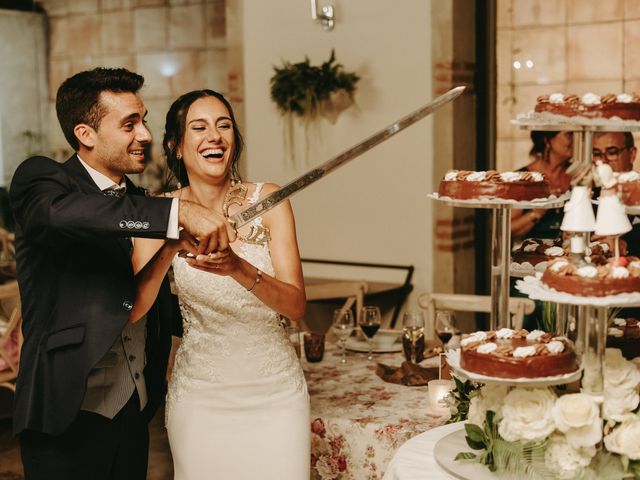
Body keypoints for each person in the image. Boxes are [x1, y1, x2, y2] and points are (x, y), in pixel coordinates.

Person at [9, 68, 234, 480]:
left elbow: (140, 295)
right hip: (65, 408)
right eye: (130, 124)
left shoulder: (137, 202)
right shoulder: (44, 181)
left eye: (144, 120)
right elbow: (64, 217)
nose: (145, 135)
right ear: (86, 134)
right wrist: (176, 211)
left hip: (135, 407)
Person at [129, 89, 309, 479]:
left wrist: (237, 268)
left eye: (224, 125)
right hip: (201, 397)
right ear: (176, 146)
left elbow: (296, 306)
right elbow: (133, 307)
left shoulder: (270, 200)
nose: (215, 136)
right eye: (200, 127)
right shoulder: (158, 211)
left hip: (276, 394)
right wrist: (170, 241)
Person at [511, 131, 573, 240]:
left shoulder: (578, 175)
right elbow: (509, 231)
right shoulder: (522, 178)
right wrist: (539, 211)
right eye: (569, 135)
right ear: (547, 140)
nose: (575, 140)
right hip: (531, 253)